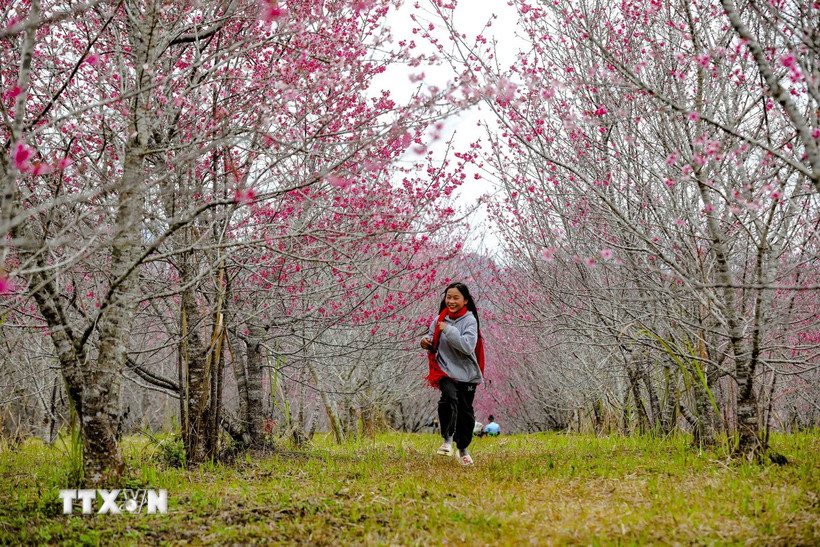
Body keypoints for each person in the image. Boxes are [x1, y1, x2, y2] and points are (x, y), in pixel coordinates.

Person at [420, 281, 485, 466]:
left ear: (465, 301)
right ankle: (447, 439)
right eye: (448, 297)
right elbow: (432, 337)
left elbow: (467, 346)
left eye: (456, 297)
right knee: (449, 398)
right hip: (444, 370)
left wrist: (448, 330)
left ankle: (463, 448)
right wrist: (425, 341)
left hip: (467, 374)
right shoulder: (439, 318)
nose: (451, 301)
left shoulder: (470, 321)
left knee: (466, 413)